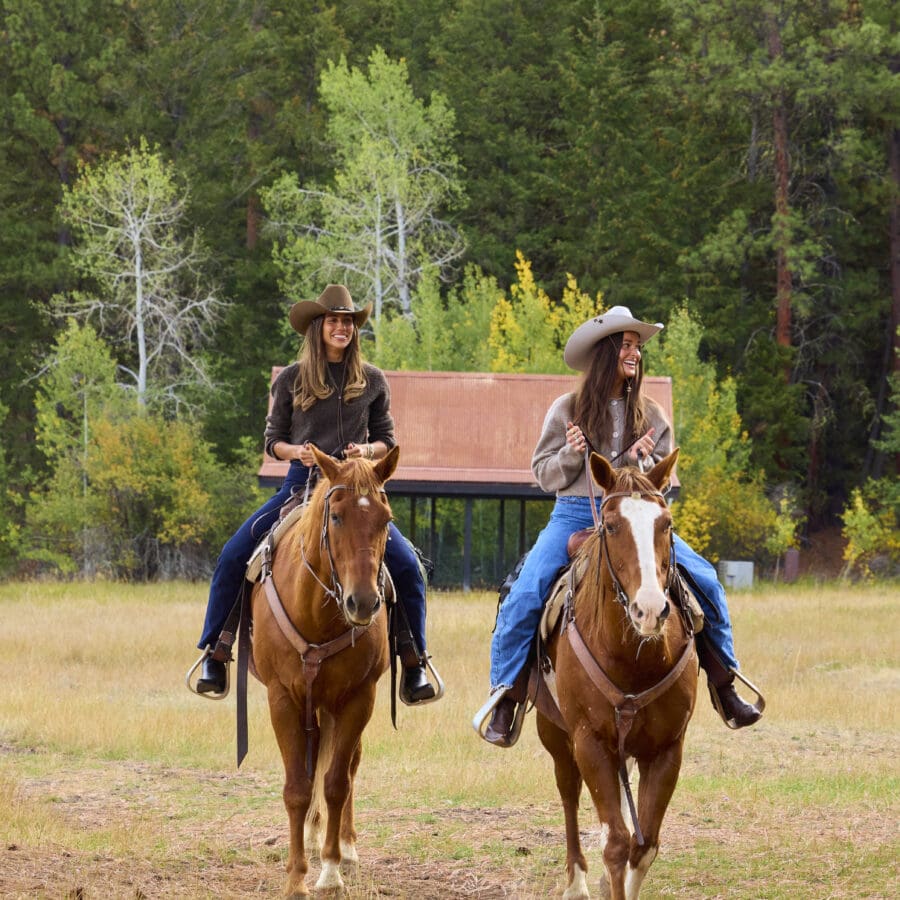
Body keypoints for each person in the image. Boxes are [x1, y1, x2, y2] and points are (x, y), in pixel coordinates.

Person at [480, 305, 763, 746]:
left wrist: (644, 465)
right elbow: (543, 474)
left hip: (640, 519)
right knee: (527, 590)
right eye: (626, 345)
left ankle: (725, 685)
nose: (634, 353)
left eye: (636, 346)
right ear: (606, 351)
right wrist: (572, 455)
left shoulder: (651, 414)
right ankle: (506, 697)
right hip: (573, 514)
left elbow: (665, 487)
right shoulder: (566, 409)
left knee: (705, 579)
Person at [194, 284, 437, 705]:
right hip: (301, 485)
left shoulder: (374, 380)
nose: (342, 327)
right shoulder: (291, 378)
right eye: (334, 320)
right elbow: (273, 442)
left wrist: (366, 451)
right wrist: (299, 452)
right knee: (235, 554)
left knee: (408, 566)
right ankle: (217, 651)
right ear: (318, 326)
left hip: (355, 488)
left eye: (348, 321)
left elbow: (386, 441)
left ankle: (414, 660)